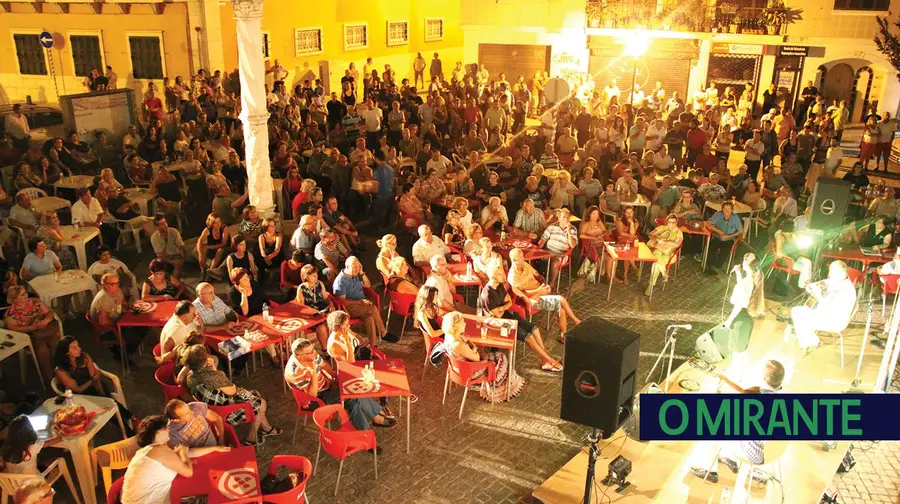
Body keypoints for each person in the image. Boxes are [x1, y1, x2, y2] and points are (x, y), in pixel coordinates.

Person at [688, 360, 786, 483]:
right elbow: (745, 392)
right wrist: (727, 381)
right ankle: (730, 459)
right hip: (774, 451)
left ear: (764, 379)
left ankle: (709, 470)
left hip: (756, 454)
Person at [182, 344, 282, 446]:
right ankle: (251, 439)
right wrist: (215, 371)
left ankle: (266, 428)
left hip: (211, 410)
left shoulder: (190, 376)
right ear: (204, 361)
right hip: (225, 412)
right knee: (261, 403)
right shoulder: (213, 377)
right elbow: (233, 390)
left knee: (256, 398)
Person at [284, 338, 393, 431]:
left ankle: (365, 431)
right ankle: (376, 418)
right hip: (315, 400)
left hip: (326, 386)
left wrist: (334, 376)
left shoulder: (310, 354)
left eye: (313, 350)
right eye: (309, 353)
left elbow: (323, 365)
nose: (313, 354)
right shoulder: (295, 372)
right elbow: (312, 394)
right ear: (299, 356)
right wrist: (313, 370)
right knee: (353, 395)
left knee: (353, 400)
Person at [120, 414, 229, 504]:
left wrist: (216, 448)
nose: (169, 430)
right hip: (146, 501)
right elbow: (188, 471)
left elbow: (188, 452)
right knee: (208, 497)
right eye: (166, 429)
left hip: (133, 499)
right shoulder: (159, 450)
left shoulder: (150, 450)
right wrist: (183, 454)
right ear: (158, 433)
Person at [53, 336, 136, 431]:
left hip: (93, 387)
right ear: (67, 352)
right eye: (75, 348)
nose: (79, 349)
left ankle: (131, 422)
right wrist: (92, 381)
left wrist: (101, 393)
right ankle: (130, 425)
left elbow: (95, 377)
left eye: (78, 346)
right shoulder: (60, 370)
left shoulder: (84, 357)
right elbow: (77, 389)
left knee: (111, 403)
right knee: (110, 406)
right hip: (79, 397)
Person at [441, 311, 526, 402]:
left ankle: (511, 384)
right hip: (469, 371)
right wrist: (474, 348)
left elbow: (469, 346)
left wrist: (472, 346)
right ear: (456, 326)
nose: (465, 324)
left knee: (498, 355)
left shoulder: (449, 336)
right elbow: (477, 357)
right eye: (462, 322)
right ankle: (499, 391)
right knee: (502, 359)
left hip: (457, 368)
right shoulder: (457, 345)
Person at [507, 248, 581, 338]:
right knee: (561, 300)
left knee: (561, 308)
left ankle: (563, 336)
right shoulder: (513, 277)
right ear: (514, 260)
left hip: (541, 291)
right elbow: (523, 295)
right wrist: (540, 291)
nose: (523, 258)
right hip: (533, 299)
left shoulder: (525, 265)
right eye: (521, 257)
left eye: (522, 256)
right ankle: (576, 321)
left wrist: (544, 284)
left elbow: (538, 275)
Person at [789, 261, 857, 355]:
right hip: (826, 314)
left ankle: (811, 341)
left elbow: (829, 311)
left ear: (844, 273)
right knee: (798, 311)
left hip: (834, 320)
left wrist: (819, 295)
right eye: (831, 272)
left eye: (834, 273)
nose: (830, 275)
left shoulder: (844, 291)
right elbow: (824, 283)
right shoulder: (839, 280)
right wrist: (812, 286)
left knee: (797, 313)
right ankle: (810, 339)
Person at [333, 256, 397, 344]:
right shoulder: (340, 282)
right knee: (373, 308)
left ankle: (373, 346)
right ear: (347, 267)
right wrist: (360, 301)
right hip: (349, 308)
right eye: (354, 267)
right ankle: (383, 333)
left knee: (369, 319)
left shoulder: (356, 275)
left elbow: (367, 285)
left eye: (358, 267)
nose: (357, 269)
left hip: (361, 305)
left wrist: (362, 273)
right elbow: (343, 302)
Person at [3, 286, 60, 384]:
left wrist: (45, 321)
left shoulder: (35, 301)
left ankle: (60, 369)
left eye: (25, 292)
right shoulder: (11, 313)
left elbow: (50, 312)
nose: (26, 295)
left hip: (46, 329)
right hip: (31, 335)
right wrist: (30, 328)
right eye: (22, 294)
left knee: (56, 342)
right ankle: (50, 376)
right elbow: (13, 329)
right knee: (43, 350)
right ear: (14, 299)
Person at [89, 272, 145, 359]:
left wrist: (133, 306)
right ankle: (121, 353)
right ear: (104, 285)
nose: (116, 286)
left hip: (118, 320)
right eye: (112, 284)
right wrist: (121, 323)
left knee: (143, 326)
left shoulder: (117, 290)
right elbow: (103, 322)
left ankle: (126, 349)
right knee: (135, 335)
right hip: (107, 330)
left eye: (117, 283)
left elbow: (124, 304)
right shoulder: (104, 299)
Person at [538, 207, 579, 289]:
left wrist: (569, 232)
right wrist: (537, 250)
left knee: (555, 262)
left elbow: (573, 245)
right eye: (564, 217)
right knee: (535, 259)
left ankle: (552, 283)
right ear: (559, 218)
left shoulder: (573, 229)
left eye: (568, 217)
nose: (566, 219)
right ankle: (538, 281)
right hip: (548, 252)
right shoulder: (552, 227)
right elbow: (542, 240)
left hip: (562, 255)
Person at [644, 214, 684, 296]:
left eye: (674, 222)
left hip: (669, 254)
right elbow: (650, 235)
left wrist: (664, 243)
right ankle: (663, 273)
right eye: (670, 222)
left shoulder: (679, 232)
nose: (672, 224)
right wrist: (658, 240)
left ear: (676, 222)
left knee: (656, 260)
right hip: (659, 250)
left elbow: (677, 244)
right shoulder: (662, 228)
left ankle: (651, 285)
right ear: (667, 222)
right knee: (657, 257)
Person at [294, 265, 333, 348]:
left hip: (323, 310)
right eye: (313, 275)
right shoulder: (302, 288)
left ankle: (335, 346)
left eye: (316, 275)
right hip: (311, 315)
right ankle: (325, 349)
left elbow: (326, 298)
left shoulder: (319, 284)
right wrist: (315, 312)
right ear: (306, 276)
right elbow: (302, 307)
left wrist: (330, 304)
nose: (316, 277)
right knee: (322, 327)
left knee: (334, 320)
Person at [705, 201, 743, 272]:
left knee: (724, 253)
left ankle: (716, 267)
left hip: (729, 239)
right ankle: (709, 266)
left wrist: (729, 236)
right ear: (722, 209)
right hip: (717, 237)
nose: (727, 211)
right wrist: (719, 231)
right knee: (711, 249)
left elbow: (740, 231)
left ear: (732, 210)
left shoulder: (735, 218)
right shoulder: (718, 215)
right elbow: (707, 223)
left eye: (729, 209)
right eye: (725, 209)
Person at [196, 214, 230, 281]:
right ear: (211, 223)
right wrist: (201, 253)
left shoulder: (224, 228)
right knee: (202, 250)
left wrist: (208, 247)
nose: (218, 224)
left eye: (219, 221)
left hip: (225, 248)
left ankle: (210, 272)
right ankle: (203, 271)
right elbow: (199, 242)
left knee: (220, 250)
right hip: (213, 248)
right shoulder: (207, 230)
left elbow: (224, 243)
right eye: (215, 222)